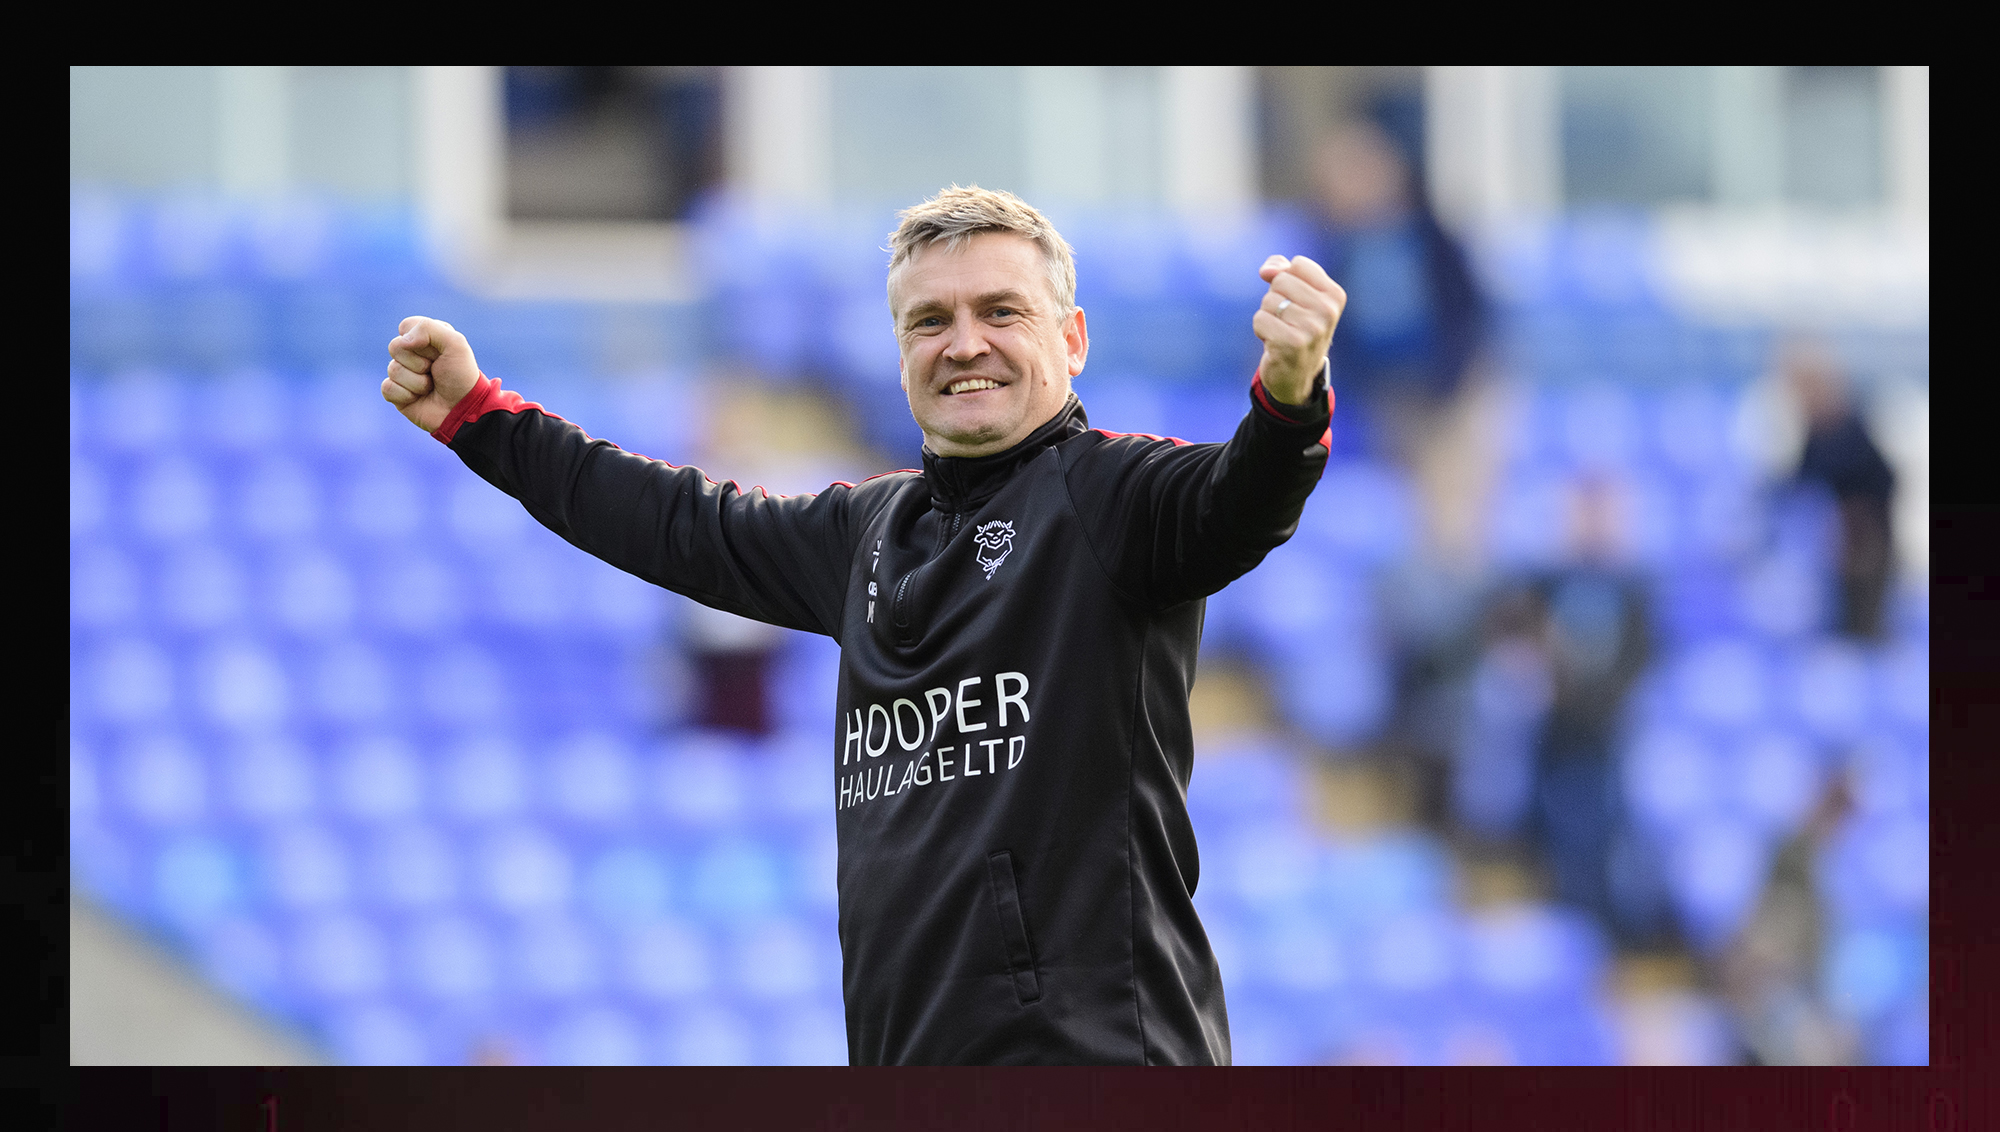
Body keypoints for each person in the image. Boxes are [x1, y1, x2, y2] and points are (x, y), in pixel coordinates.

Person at [380, 186, 1346, 1065]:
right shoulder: (867, 532)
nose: (963, 344)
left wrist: (1290, 392)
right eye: (930, 321)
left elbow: (1244, 498)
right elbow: (677, 524)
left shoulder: (1114, 498)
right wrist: (482, 417)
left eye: (1000, 312)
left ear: (1072, 339)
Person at [1782, 344, 1897, 641]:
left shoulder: (1848, 428)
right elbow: (1799, 481)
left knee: (1864, 630)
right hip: (1836, 549)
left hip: (1865, 548)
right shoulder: (1816, 432)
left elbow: (1883, 482)